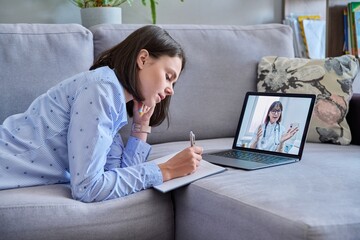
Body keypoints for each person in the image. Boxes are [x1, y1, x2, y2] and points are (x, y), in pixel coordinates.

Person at [0, 25, 203, 202]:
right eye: (168, 77)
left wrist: (140, 126)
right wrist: (166, 170)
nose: (171, 90)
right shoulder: (100, 90)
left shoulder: (113, 99)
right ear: (143, 59)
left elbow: (115, 174)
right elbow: (88, 188)